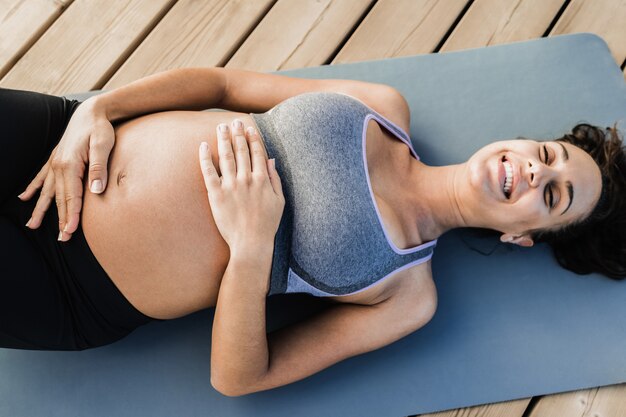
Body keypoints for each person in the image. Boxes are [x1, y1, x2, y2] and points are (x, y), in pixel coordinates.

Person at [1, 68, 624, 396]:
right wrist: (97, 109)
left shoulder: (407, 294)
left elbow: (240, 378)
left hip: (73, 288)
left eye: (553, 195)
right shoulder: (383, 105)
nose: (537, 168)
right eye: (547, 153)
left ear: (524, 236)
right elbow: (223, 85)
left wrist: (251, 247)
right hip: (60, 143)